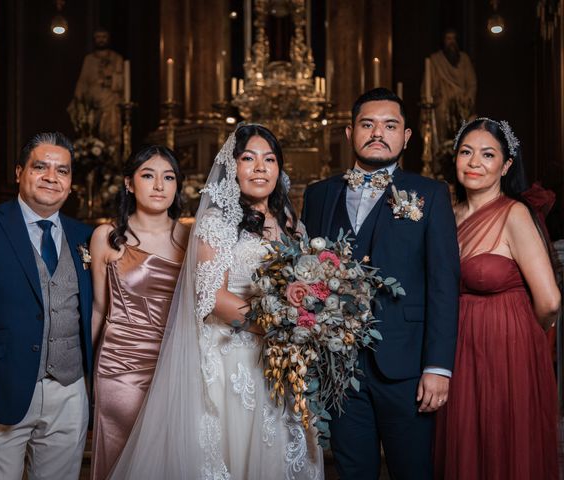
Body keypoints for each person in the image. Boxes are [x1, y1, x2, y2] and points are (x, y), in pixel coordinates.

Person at [108, 124, 324, 479]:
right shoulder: (217, 222)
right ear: (233, 166)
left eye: (269, 160)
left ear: (279, 170)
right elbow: (213, 298)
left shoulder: (292, 226)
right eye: (248, 158)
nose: (260, 168)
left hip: (284, 364)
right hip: (234, 359)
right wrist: (279, 326)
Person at [301, 88, 460, 479]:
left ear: (406, 137)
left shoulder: (430, 194)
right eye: (367, 124)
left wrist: (438, 367)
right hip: (337, 368)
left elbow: (444, 283)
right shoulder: (319, 195)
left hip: (405, 368)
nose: (378, 133)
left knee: (412, 470)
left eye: (390, 125)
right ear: (350, 131)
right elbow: (304, 273)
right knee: (353, 470)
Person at [0, 132, 93, 479]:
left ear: (70, 182)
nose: (52, 177)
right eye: (41, 167)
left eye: (63, 171)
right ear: (19, 172)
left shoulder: (84, 235)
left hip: (69, 391)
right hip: (0, 386)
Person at [434, 118, 560, 479]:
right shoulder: (447, 214)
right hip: (455, 346)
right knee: (464, 439)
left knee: (499, 440)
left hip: (505, 348)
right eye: (466, 152)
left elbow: (549, 301)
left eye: (487, 155)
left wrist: (518, 333)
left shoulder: (514, 214)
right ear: (455, 159)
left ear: (505, 165)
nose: (474, 163)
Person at [89, 145, 190, 480]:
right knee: (122, 460)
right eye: (148, 175)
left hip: (176, 364)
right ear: (129, 183)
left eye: (168, 177)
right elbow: (99, 309)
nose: (159, 185)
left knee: (172, 461)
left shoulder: (191, 237)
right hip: (120, 367)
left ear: (178, 186)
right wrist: (81, 372)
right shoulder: (107, 237)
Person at [422, 28, 477, 148]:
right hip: (442, 105)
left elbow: (472, 84)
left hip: (462, 105)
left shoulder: (464, 60)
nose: (451, 42)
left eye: (453, 38)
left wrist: (467, 100)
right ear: (443, 41)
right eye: (448, 38)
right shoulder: (435, 60)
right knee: (441, 122)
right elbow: (429, 86)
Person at [70, 28, 125, 147]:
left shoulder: (116, 58)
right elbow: (83, 81)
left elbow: (121, 82)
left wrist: (109, 76)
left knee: (112, 133)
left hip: (110, 102)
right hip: (92, 104)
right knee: (92, 133)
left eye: (104, 37)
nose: (101, 40)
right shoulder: (89, 59)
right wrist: (78, 100)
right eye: (98, 37)